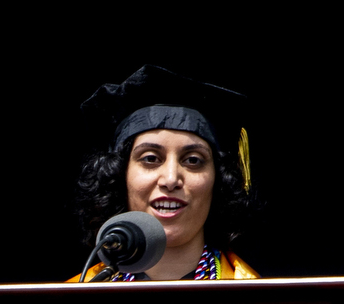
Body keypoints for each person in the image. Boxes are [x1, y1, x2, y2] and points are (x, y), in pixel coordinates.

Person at [71, 65, 260, 282]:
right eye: (150, 159)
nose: (171, 179)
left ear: (219, 181)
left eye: (193, 161)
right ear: (120, 176)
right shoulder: (75, 303)